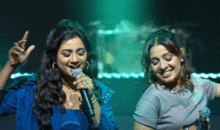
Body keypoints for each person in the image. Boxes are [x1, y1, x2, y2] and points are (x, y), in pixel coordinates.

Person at [0, 19, 119, 130]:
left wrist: (92, 97)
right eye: (67, 54)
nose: (75, 59)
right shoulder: (33, 89)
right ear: (54, 58)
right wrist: (10, 65)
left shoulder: (100, 92)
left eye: (80, 53)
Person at [133, 29, 220, 130]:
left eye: (168, 58)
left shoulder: (198, 84)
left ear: (181, 55)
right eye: (155, 62)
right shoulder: (152, 99)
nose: (162, 66)